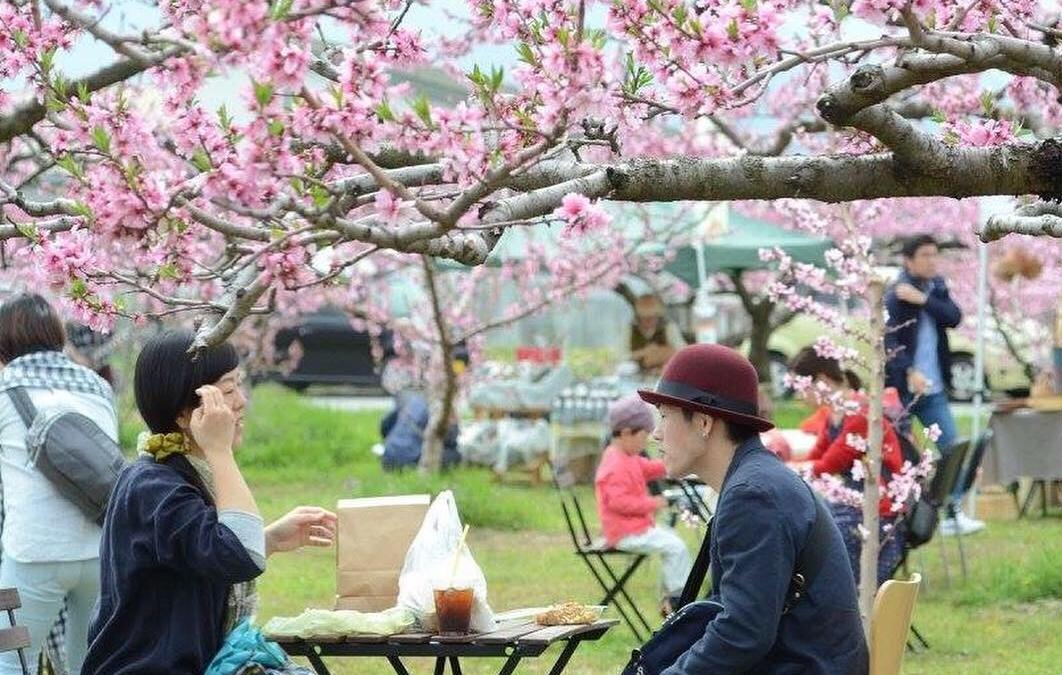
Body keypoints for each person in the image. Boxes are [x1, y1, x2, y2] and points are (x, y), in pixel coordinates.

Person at [82, 330, 337, 674]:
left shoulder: (172, 475)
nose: (241, 401)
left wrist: (270, 540)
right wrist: (220, 449)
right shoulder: (156, 487)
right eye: (228, 390)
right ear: (186, 413)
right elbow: (239, 556)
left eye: (238, 386)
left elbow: (202, 553)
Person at [638, 344, 867, 673]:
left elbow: (743, 633)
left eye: (663, 416)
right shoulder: (757, 480)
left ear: (704, 422)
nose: (656, 434)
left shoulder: (753, 496)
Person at [0, 294, 116, 675]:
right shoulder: (97, 386)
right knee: (91, 665)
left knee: (12, 662)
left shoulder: (5, 387)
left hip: (35, 551)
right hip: (100, 550)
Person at [885, 234, 983, 536]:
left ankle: (952, 513)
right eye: (925, 255)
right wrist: (908, 371)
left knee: (951, 448)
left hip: (935, 387)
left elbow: (954, 317)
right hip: (902, 390)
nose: (932, 261)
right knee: (898, 455)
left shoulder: (936, 287)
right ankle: (899, 518)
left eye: (934, 254)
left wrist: (925, 300)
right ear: (908, 260)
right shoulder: (896, 295)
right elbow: (889, 342)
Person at [788, 347, 906, 587]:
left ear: (821, 380)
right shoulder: (836, 414)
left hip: (878, 511)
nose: (799, 396)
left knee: (817, 533)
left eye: (801, 387)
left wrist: (780, 468)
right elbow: (816, 458)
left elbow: (825, 466)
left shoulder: (860, 414)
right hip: (856, 503)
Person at [594, 394, 692, 615]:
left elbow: (648, 468)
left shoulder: (627, 456)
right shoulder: (614, 463)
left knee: (673, 544)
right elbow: (619, 502)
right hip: (625, 532)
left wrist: (674, 463)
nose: (647, 440)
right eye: (644, 435)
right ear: (627, 432)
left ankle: (673, 596)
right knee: (676, 547)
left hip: (636, 528)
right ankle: (679, 599)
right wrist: (654, 502)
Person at [628, 294, 687, 375]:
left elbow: (683, 352)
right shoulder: (630, 330)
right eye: (644, 318)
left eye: (652, 317)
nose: (649, 321)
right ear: (638, 317)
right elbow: (620, 355)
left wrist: (660, 353)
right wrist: (644, 352)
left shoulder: (669, 328)